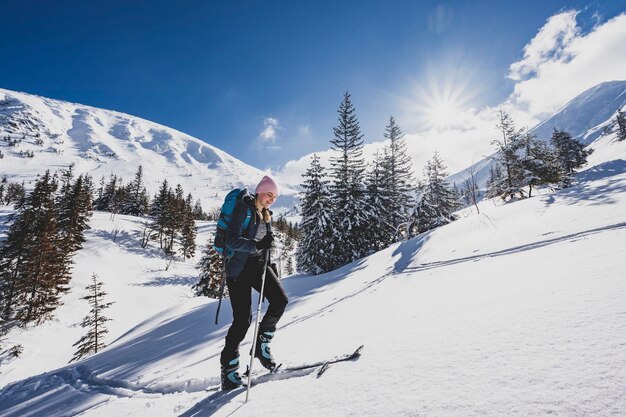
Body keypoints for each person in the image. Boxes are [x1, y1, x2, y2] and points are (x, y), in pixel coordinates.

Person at [220, 175, 289, 391]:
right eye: (270, 194)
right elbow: (231, 240)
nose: (272, 199)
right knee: (242, 321)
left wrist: (268, 252)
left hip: (259, 267)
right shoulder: (244, 209)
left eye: (275, 197)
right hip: (239, 270)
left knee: (280, 301)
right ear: (260, 191)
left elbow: (263, 246)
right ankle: (229, 370)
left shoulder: (266, 215)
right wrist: (257, 244)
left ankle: (261, 346)